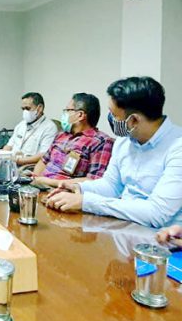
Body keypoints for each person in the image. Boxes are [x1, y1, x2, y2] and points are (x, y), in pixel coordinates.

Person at [47, 77, 182, 229]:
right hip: (122, 228)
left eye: (114, 115)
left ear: (134, 120)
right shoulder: (124, 142)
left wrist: (85, 202)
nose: (111, 119)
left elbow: (156, 214)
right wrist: (78, 188)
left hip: (162, 241)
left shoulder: (177, 147)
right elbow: (111, 185)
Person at [32, 93, 113, 188]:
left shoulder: (100, 142)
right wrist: (35, 180)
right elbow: (44, 161)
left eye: (67, 110)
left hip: (64, 193)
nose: (64, 114)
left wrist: (49, 182)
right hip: (40, 187)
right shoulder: (62, 135)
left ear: (80, 115)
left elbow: (93, 180)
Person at [3, 92, 57, 166]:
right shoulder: (21, 125)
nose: (25, 111)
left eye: (27, 108)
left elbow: (44, 154)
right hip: (11, 164)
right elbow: (9, 146)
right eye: (23, 109)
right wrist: (1, 157)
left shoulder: (49, 127)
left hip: (28, 167)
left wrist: (19, 161)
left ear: (40, 108)